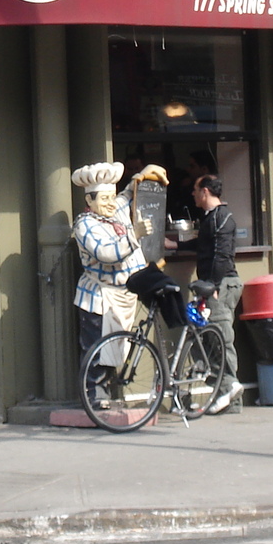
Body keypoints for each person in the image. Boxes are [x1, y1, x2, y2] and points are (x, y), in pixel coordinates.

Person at [70, 161, 168, 397]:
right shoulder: (85, 224)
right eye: (104, 199)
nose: (110, 203)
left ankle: (107, 394)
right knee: (96, 349)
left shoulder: (117, 211)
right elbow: (106, 254)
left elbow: (128, 195)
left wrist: (142, 176)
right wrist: (135, 234)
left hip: (124, 295)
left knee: (116, 349)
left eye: (111, 197)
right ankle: (94, 397)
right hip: (99, 297)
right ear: (89, 201)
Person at [185, 174, 244, 414]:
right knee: (208, 338)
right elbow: (204, 246)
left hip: (218, 286)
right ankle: (229, 396)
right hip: (212, 286)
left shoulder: (221, 218)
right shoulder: (212, 218)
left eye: (196, 189)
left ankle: (228, 388)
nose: (193, 194)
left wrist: (215, 287)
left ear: (205, 192)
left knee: (220, 340)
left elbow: (222, 255)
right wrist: (176, 245)